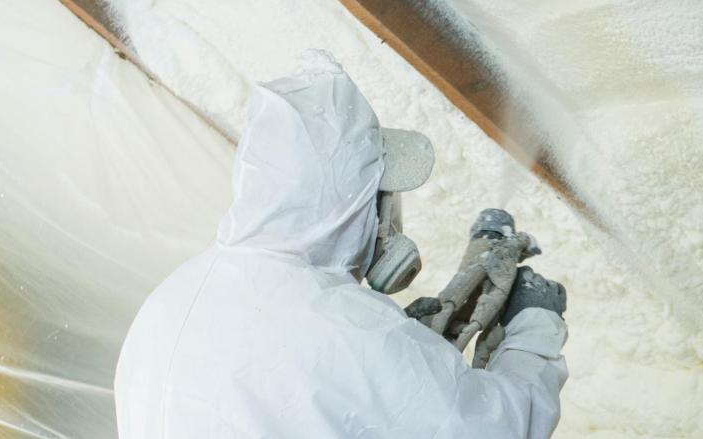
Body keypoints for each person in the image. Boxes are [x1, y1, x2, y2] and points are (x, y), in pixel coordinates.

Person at [114, 50, 568, 439]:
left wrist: (409, 356)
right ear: (350, 204)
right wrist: (534, 330)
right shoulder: (348, 330)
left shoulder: (177, 292)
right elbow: (496, 429)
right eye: (381, 198)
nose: (386, 221)